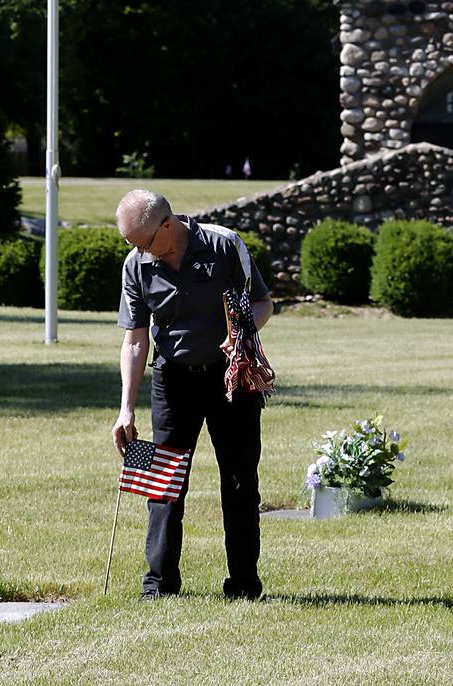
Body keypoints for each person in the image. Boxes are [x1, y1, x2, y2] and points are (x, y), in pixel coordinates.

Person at [113, 189, 273, 600]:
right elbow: (134, 340)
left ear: (168, 226)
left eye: (143, 242)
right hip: (171, 379)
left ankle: (243, 585)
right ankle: (159, 585)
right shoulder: (137, 265)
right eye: (132, 244)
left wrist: (240, 337)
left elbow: (262, 303)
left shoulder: (223, 244)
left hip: (231, 378)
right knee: (162, 483)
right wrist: (126, 409)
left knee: (239, 481)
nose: (138, 251)